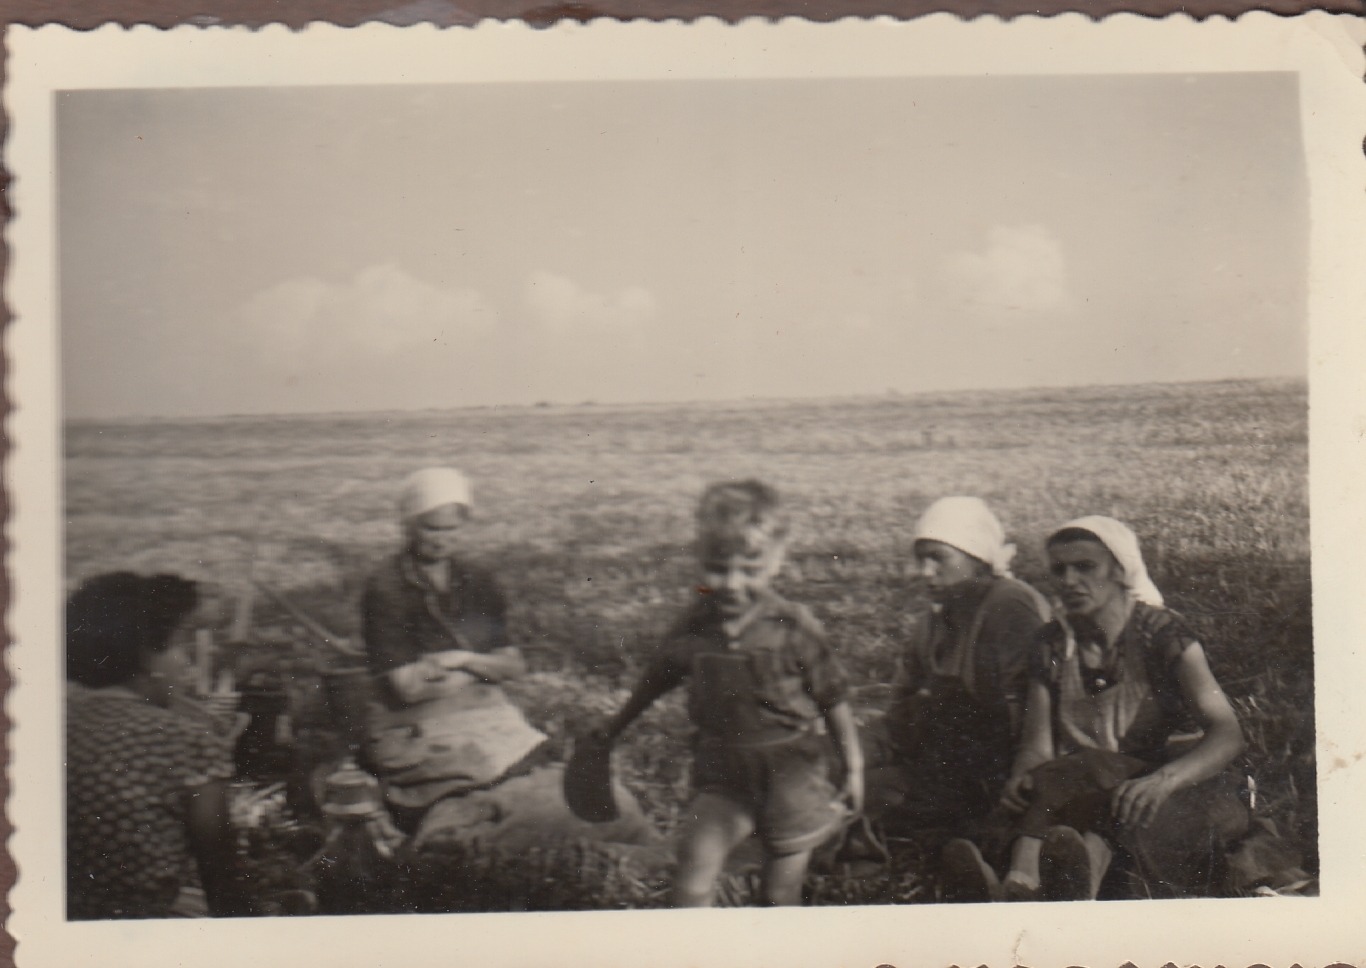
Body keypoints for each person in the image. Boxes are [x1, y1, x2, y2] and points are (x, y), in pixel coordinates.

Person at [941, 515, 1249, 901]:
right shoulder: (1051, 645)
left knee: (1085, 772)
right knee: (1040, 792)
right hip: (1077, 791)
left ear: (1121, 570)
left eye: (1085, 567)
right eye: (1058, 570)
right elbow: (1037, 747)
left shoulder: (1162, 634)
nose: (1069, 581)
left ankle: (1019, 883)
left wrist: (1164, 780)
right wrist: (1022, 781)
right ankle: (1047, 886)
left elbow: (1227, 733)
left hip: (1148, 784)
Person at [597, 479, 864, 907]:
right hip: (723, 774)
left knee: (780, 894)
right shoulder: (694, 624)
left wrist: (852, 767)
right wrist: (615, 726)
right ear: (698, 560)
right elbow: (657, 677)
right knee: (693, 869)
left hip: (792, 776)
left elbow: (833, 697)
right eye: (718, 569)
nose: (732, 584)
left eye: (750, 569)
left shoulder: (792, 626)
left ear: (777, 562)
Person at [360, 467, 547, 812]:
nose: (442, 538)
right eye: (431, 528)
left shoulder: (477, 580)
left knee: (537, 764)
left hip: (478, 707)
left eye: (453, 528)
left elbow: (514, 665)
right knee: (474, 777)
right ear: (409, 524)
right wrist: (483, 671)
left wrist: (459, 660)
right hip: (411, 720)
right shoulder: (387, 587)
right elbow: (407, 689)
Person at [864, 496, 1049, 834]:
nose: (926, 572)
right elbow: (900, 702)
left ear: (976, 557)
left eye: (939, 558)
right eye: (921, 560)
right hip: (944, 755)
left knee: (872, 800)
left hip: (998, 763)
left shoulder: (1010, 603)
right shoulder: (936, 617)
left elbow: (1026, 713)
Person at [65, 572, 238, 919]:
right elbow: (224, 886)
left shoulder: (58, 727)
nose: (187, 663)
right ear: (146, 656)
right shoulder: (186, 743)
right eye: (179, 645)